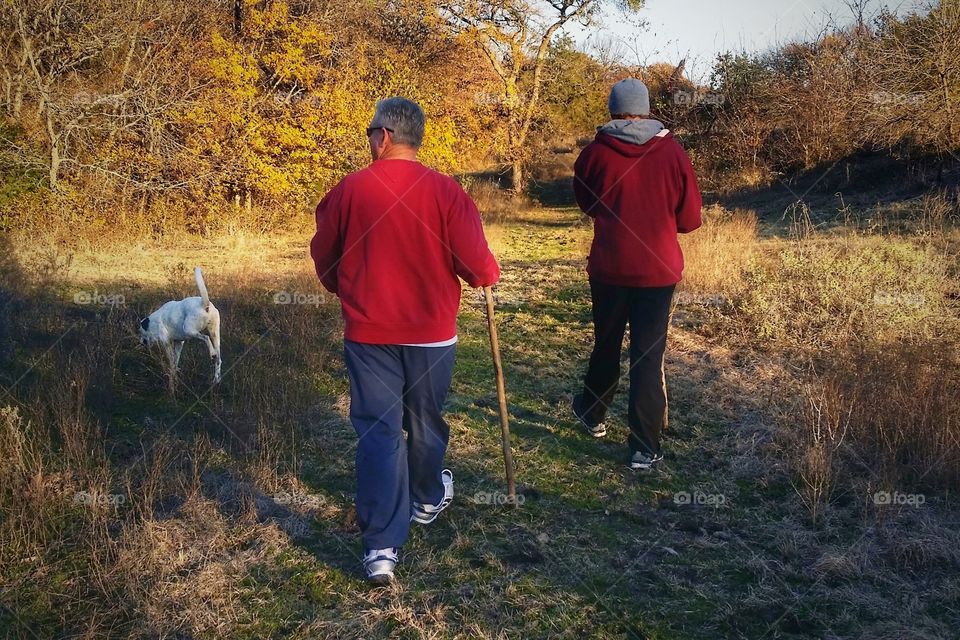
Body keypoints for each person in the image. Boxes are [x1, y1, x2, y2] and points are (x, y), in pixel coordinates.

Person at [310, 97, 500, 584]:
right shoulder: (447, 192)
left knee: (379, 430)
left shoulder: (349, 190)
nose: (369, 139)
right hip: (432, 334)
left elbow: (325, 256)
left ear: (386, 136)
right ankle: (426, 497)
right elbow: (478, 267)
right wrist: (488, 273)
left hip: (370, 333)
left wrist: (345, 289)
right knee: (425, 419)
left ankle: (381, 548)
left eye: (371, 131)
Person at [571, 78, 702, 471]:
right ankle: (644, 447)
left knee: (606, 343)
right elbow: (690, 217)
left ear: (612, 110)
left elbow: (586, 202)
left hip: (609, 268)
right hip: (657, 272)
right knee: (647, 355)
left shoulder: (594, 154)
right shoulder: (673, 154)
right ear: (646, 110)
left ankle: (593, 414)